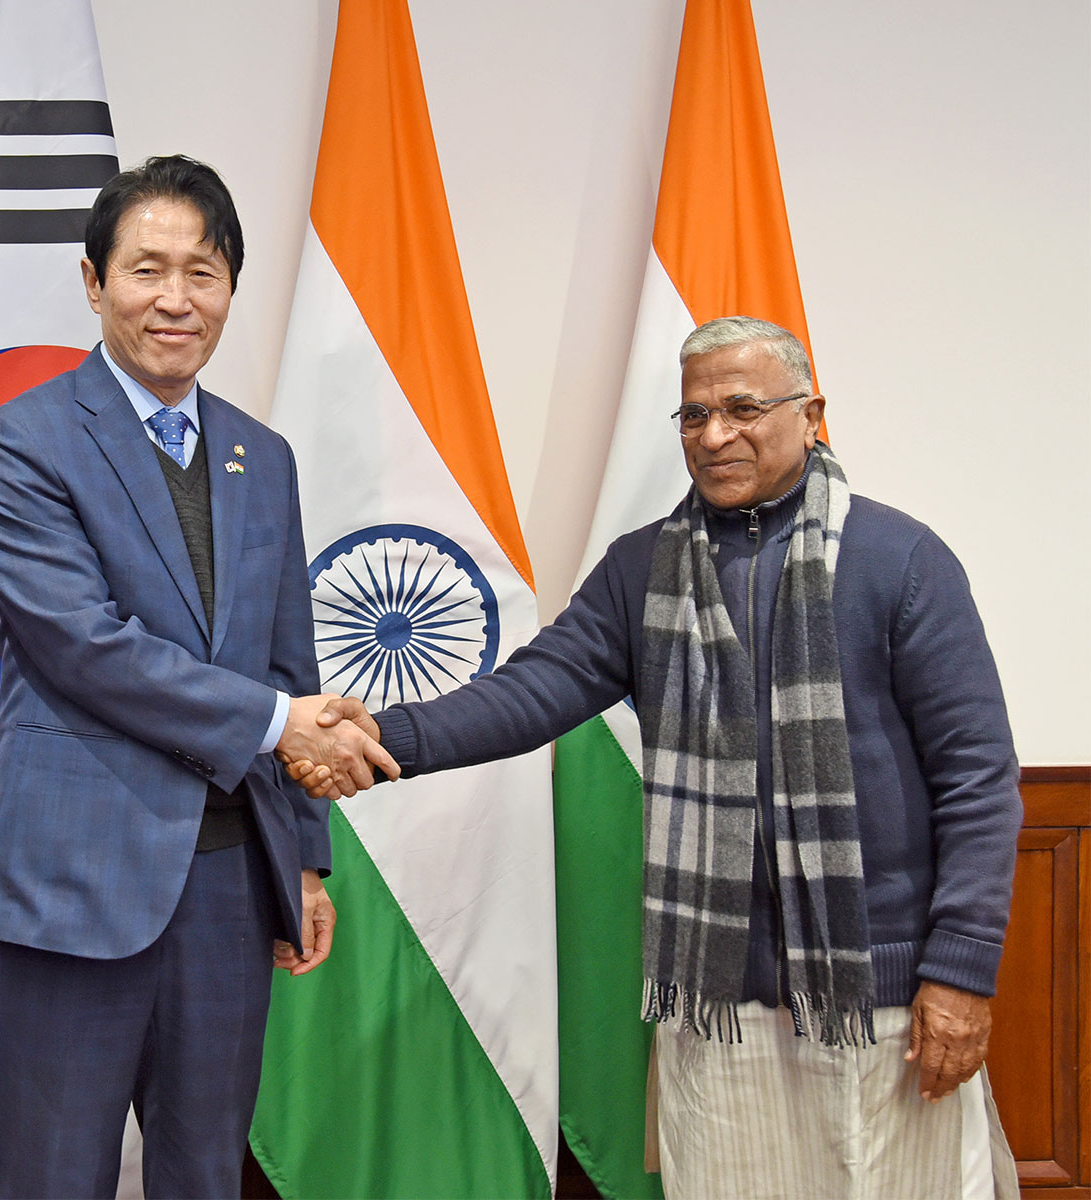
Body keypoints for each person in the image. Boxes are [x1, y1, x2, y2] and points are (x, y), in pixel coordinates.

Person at [288, 316, 1023, 1198]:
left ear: (811, 411)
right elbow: (534, 693)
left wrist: (961, 974)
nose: (715, 436)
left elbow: (977, 781)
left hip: (884, 996)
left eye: (744, 408)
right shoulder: (643, 570)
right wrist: (379, 738)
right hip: (720, 1000)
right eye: (693, 415)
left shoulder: (902, 560)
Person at [0, 154, 396, 1200]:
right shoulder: (19, 443)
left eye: (202, 272)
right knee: (54, 1175)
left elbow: (288, 656)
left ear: (230, 289)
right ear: (92, 281)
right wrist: (283, 721)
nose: (174, 298)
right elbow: (83, 646)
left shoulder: (263, 454)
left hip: (227, 887)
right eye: (146, 268)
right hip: (78, 880)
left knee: (205, 1172)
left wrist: (300, 856)